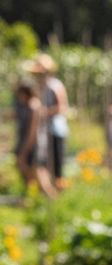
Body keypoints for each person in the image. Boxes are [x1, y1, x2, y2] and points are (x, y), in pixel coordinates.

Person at [24, 53, 69, 184]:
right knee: (43, 163)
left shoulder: (55, 85)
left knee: (56, 165)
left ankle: (58, 190)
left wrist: (43, 112)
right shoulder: (41, 86)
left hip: (56, 129)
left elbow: (61, 108)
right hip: (43, 131)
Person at [13, 82, 56, 199]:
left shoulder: (33, 105)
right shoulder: (32, 104)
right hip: (35, 144)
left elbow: (32, 132)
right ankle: (35, 199)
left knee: (39, 171)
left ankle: (51, 198)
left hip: (35, 145)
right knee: (30, 170)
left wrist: (23, 152)